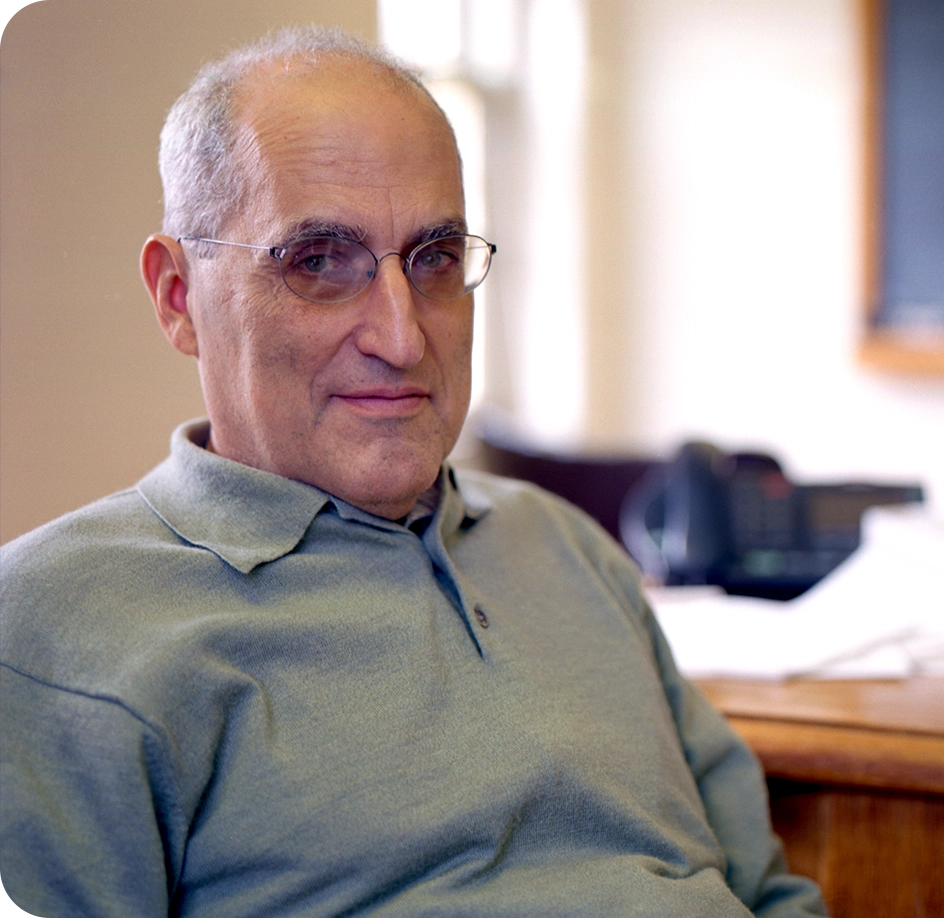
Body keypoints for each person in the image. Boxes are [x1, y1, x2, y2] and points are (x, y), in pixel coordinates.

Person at [0, 26, 827, 918]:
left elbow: (771, 898)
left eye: (435, 260)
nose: (402, 338)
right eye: (318, 262)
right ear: (178, 299)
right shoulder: (50, 626)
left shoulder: (568, 550)